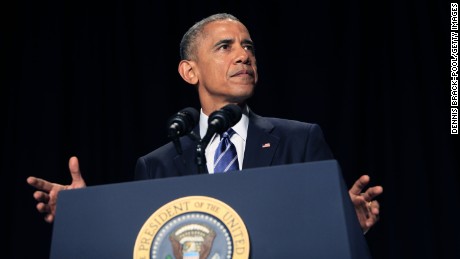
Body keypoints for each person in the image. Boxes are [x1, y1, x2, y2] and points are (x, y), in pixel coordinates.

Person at [27, 13, 383, 233]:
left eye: (248, 46)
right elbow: (145, 244)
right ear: (189, 70)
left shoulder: (300, 139)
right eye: (225, 46)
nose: (244, 55)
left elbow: (323, 235)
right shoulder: (156, 166)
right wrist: (83, 216)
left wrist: (348, 224)